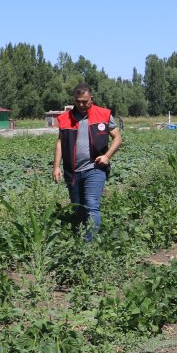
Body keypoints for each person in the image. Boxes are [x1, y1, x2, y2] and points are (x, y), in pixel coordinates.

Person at [53, 83, 122, 242]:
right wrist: (56, 166)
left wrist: (107, 156)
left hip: (95, 168)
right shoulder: (65, 118)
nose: (82, 105)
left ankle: (87, 246)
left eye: (85, 101)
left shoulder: (103, 114)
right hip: (73, 171)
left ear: (92, 98)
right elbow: (60, 143)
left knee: (91, 205)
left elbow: (118, 138)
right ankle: (80, 236)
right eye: (78, 101)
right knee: (78, 208)